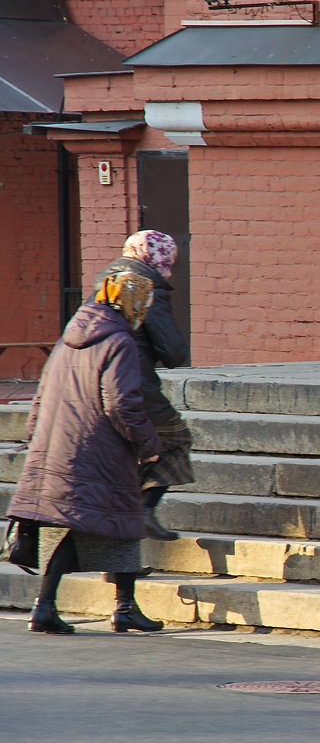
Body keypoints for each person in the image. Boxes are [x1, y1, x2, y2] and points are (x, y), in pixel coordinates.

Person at [7, 272, 165, 635]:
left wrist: (35, 439)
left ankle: (55, 607)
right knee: (118, 520)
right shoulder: (120, 341)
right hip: (99, 448)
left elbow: (42, 392)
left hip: (58, 444)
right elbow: (122, 403)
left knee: (89, 524)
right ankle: (117, 608)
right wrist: (148, 444)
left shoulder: (69, 336)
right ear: (132, 303)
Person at [90, 230, 192, 541]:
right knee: (174, 440)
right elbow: (172, 350)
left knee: (122, 461)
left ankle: (120, 561)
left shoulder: (105, 280)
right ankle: (145, 509)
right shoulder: (145, 286)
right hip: (136, 386)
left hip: (94, 383)